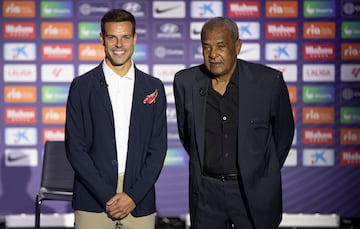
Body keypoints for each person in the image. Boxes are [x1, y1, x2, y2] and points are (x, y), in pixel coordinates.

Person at [173, 17, 294, 229]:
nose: (213, 54)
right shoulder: (185, 82)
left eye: (221, 46)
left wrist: (262, 172)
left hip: (251, 192)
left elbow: (283, 135)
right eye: (206, 47)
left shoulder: (268, 82)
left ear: (237, 47)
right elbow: (187, 135)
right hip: (206, 194)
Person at [65, 9, 167, 229]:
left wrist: (132, 196)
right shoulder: (81, 87)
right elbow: (75, 148)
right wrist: (106, 196)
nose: (119, 44)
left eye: (125, 37)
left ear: (135, 39)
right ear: (102, 39)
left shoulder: (153, 87)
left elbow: (158, 149)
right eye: (112, 37)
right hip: (92, 198)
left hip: (139, 199)